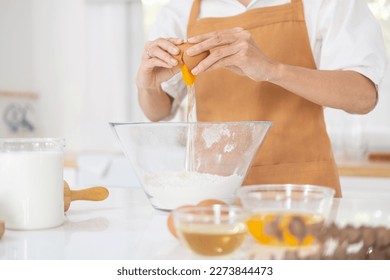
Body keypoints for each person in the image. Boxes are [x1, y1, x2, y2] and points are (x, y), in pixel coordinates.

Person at [135, 0, 387, 197]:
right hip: (214, 193)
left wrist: (271, 70)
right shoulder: (179, 10)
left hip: (301, 191)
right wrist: (148, 87)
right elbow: (158, 111)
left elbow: (362, 96)